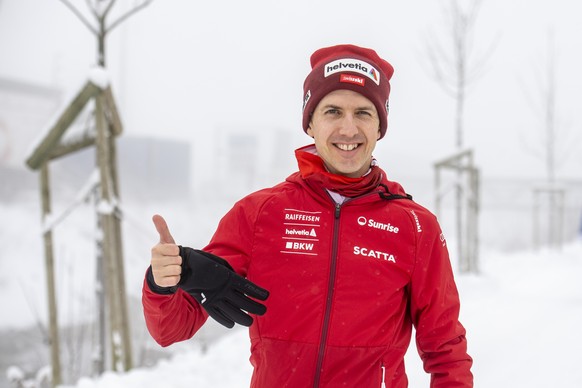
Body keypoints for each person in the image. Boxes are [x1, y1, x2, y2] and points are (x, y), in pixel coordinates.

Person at [142, 44, 473, 387]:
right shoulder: (259, 214)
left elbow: (445, 346)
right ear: (310, 124)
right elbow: (170, 329)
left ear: (379, 127)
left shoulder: (415, 226)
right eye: (332, 111)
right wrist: (164, 281)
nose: (348, 129)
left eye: (363, 113)